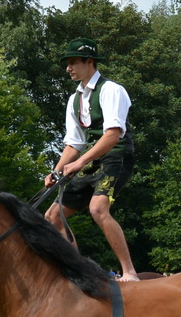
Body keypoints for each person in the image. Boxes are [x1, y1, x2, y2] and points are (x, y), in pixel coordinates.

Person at [45, 38, 141, 281]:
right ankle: (77, 274)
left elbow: (112, 136)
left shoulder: (111, 90)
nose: (68, 68)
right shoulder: (74, 100)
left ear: (90, 62)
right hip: (93, 158)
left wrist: (78, 164)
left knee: (97, 209)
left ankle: (129, 272)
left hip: (117, 155)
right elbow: (73, 144)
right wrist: (56, 172)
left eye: (73, 62)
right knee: (52, 216)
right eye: (67, 63)